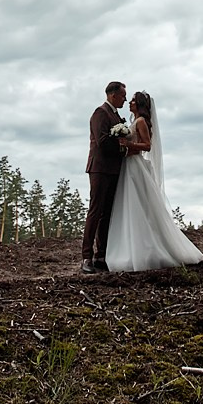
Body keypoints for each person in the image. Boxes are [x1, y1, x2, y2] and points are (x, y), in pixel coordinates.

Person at [105, 91, 203, 271]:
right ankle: (133, 246)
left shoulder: (141, 122)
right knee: (130, 205)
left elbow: (147, 145)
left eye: (134, 100)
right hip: (128, 165)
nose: (130, 102)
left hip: (135, 166)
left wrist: (128, 145)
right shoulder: (132, 122)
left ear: (141, 104)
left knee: (139, 204)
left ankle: (147, 248)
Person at [82, 80, 128, 274]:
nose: (125, 99)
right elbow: (102, 141)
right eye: (123, 96)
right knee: (95, 211)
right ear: (112, 95)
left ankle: (101, 255)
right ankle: (86, 257)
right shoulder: (100, 113)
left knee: (107, 213)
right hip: (100, 169)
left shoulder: (116, 116)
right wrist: (122, 146)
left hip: (113, 170)